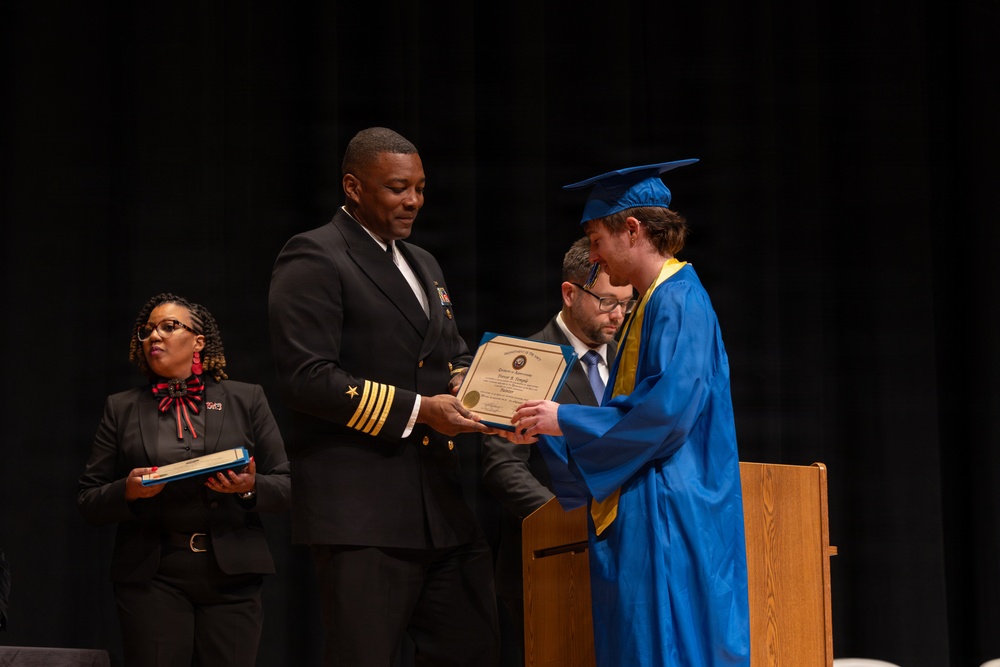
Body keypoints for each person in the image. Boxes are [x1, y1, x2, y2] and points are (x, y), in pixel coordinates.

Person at [268, 127, 500, 666]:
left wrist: (470, 381)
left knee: (475, 649)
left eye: (420, 188)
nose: (413, 201)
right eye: (398, 188)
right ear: (353, 186)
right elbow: (306, 377)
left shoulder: (424, 263)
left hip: (440, 506)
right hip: (362, 511)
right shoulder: (315, 255)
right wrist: (422, 410)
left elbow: (449, 352)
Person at [508, 161, 751, 666]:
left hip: (670, 507)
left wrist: (565, 420)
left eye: (596, 239)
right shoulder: (651, 302)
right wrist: (546, 428)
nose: (592, 256)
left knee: (666, 648)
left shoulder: (679, 301)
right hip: (651, 498)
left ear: (632, 230)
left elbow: (663, 414)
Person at [78, 293, 291, 667]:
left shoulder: (247, 398)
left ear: (199, 341)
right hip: (152, 576)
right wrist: (127, 491)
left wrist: (249, 488)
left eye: (169, 326)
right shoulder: (122, 407)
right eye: (146, 331)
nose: (153, 337)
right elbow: (89, 500)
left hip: (233, 576)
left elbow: (288, 487)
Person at [480, 236, 634, 661]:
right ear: (570, 293)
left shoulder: (633, 364)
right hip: (548, 564)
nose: (618, 315)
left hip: (628, 558)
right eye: (607, 301)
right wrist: (565, 524)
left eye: (627, 303)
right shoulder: (520, 361)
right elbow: (502, 468)